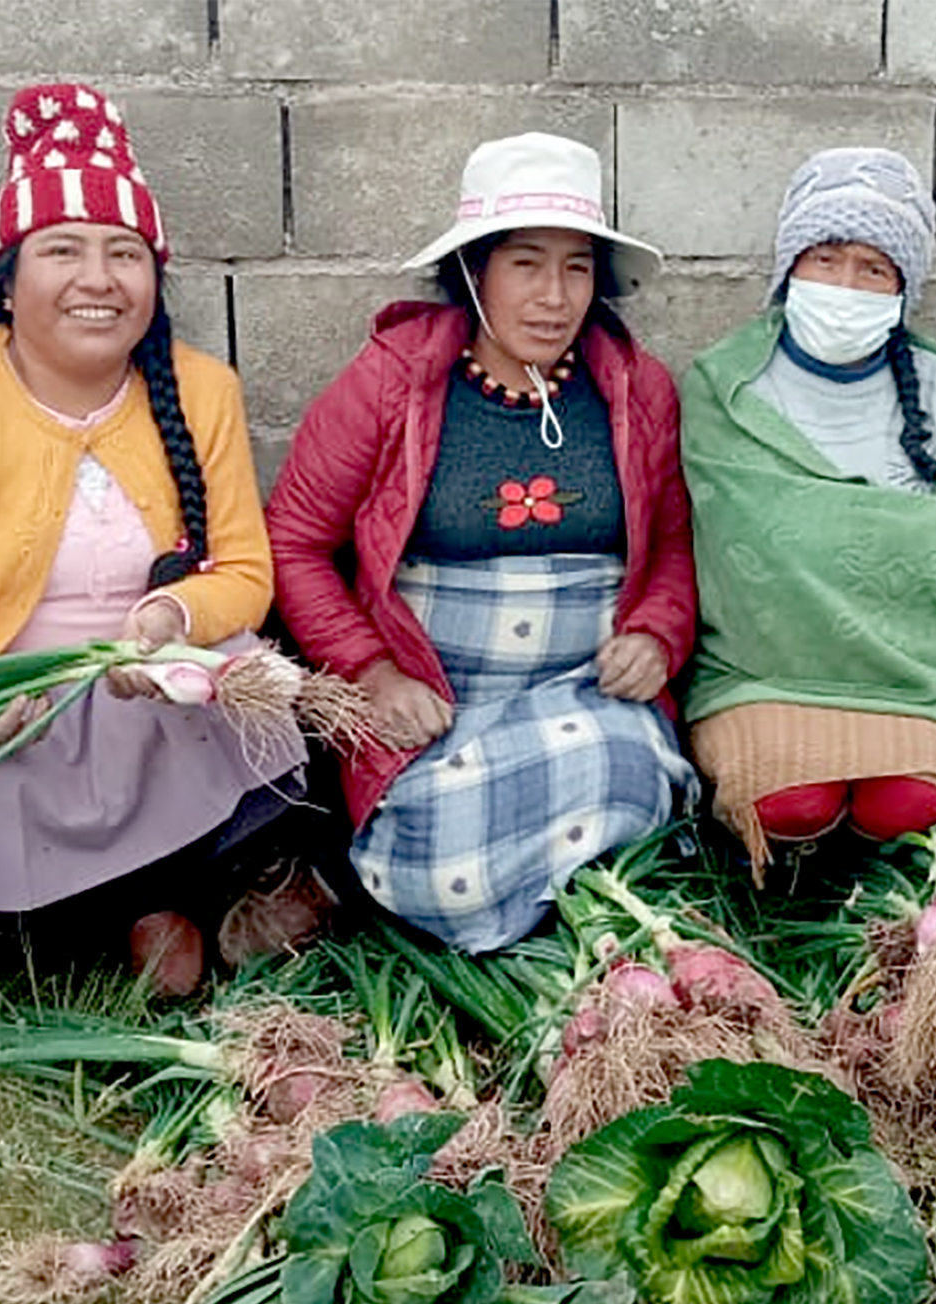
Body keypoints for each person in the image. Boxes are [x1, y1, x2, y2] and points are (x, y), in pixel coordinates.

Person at [0, 81, 304, 997]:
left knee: (242, 672)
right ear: (10, 278)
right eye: (63, 250)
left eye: (125, 253)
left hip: (122, 682)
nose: (98, 278)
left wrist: (170, 615)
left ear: (154, 280)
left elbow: (242, 572)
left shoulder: (202, 392)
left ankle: (154, 894)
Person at [266, 132, 696, 953]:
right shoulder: (391, 383)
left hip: (588, 697)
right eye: (526, 264)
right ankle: (553, 926)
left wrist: (657, 632)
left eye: (577, 268)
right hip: (439, 705)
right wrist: (372, 671)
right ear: (473, 271)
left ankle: (568, 942)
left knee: (630, 780)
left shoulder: (636, 389)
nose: (554, 296)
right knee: (434, 853)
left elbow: (674, 538)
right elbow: (294, 541)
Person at [681, 148, 936, 879]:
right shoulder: (725, 388)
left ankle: (882, 899)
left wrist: (848, 532)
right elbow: (735, 548)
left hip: (923, 683)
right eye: (825, 258)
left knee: (905, 803)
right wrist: (903, 535)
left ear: (904, 287)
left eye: (873, 268)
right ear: (789, 268)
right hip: (765, 674)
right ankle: (786, 885)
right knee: (793, 802)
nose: (845, 284)